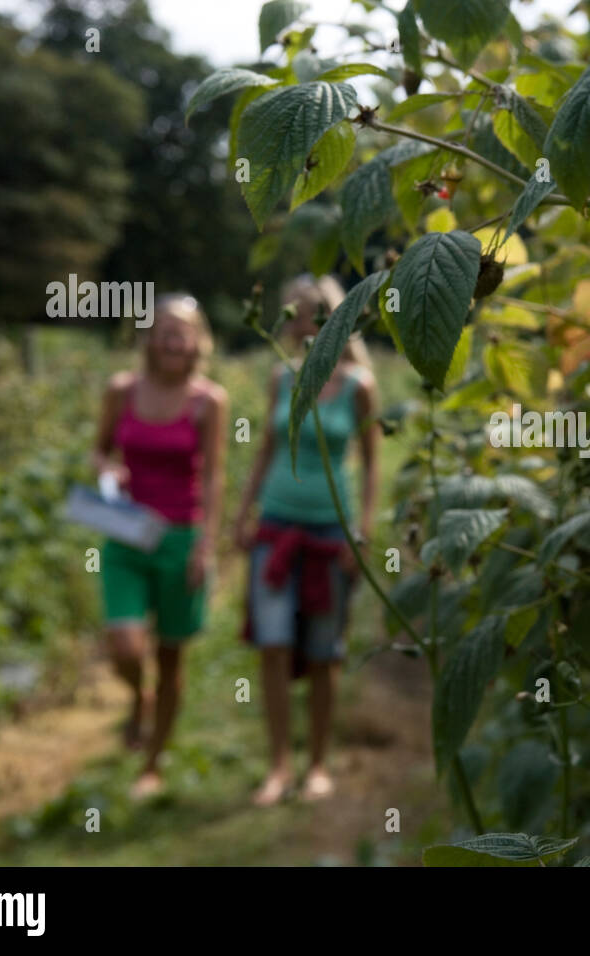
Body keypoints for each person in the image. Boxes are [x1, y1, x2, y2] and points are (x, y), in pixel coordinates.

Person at [234, 275, 380, 805]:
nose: (303, 322)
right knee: (272, 643)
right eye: (294, 312)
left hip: (329, 529)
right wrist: (242, 512)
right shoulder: (281, 375)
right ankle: (277, 766)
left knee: (324, 651)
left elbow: (370, 464)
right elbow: (265, 449)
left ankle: (317, 764)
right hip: (276, 524)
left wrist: (361, 532)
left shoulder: (359, 384)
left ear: (335, 315)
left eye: (315, 311)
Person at [91, 294, 228, 800]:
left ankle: (152, 764)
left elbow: (214, 475)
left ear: (197, 342)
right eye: (164, 330)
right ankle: (138, 697)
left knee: (172, 656)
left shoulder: (208, 400)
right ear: (149, 338)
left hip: (180, 536)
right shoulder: (120, 390)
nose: (173, 339)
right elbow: (97, 449)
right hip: (125, 532)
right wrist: (105, 469)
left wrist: (206, 545)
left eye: (183, 331)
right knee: (124, 645)